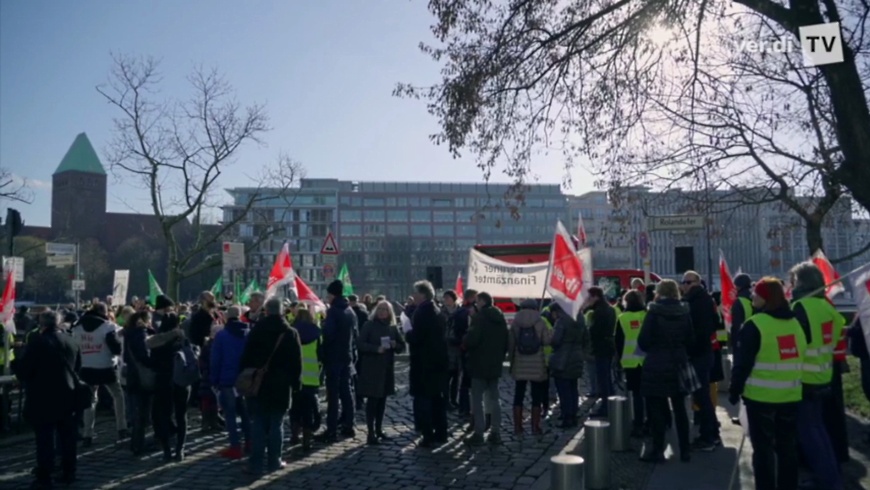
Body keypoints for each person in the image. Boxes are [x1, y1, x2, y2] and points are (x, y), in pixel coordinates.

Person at [728, 277, 804, 490]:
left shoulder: (755, 325)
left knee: (763, 452)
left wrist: (735, 390)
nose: (752, 295)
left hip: (761, 399)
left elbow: (743, 364)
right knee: (787, 449)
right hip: (790, 396)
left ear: (766, 298)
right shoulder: (794, 323)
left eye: (756, 293)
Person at [790, 262, 845, 490]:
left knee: (810, 434)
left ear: (800, 282)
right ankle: (830, 476)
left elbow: (795, 342)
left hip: (804, 378)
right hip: (824, 375)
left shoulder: (800, 307)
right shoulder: (827, 307)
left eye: (793, 281)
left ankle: (829, 481)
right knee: (819, 430)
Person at [239, 298, 302, 475]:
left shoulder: (257, 330)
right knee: (277, 424)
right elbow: (297, 362)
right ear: (282, 311)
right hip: (281, 385)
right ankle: (274, 461)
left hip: (259, 384)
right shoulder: (290, 332)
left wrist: (245, 377)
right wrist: (296, 384)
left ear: (266, 311)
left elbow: (246, 357)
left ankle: (255, 463)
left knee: (258, 423)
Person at [21, 311, 81, 488]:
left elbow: (25, 369)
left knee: (45, 438)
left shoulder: (37, 342)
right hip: (68, 395)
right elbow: (78, 367)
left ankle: (45, 475)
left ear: (42, 324)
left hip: (43, 397)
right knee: (67, 438)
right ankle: (69, 471)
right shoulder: (71, 341)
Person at [638, 279, 694, 463]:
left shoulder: (654, 312)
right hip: (679, 363)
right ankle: (685, 450)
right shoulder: (684, 312)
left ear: (659, 292)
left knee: (656, 410)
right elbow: (690, 338)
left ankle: (658, 450)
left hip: (656, 363)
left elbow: (643, 341)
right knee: (680, 409)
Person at [680, 271, 721, 451]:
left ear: (697, 282)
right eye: (683, 282)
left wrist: (690, 350)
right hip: (705, 353)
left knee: (701, 396)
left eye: (688, 282)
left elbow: (698, 330)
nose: (685, 285)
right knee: (702, 396)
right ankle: (713, 433)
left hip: (698, 355)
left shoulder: (694, 302)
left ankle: (709, 436)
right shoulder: (706, 300)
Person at [406, 280, 450, 447]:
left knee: (424, 400)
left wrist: (408, 333)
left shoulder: (422, 312)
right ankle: (441, 432)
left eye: (416, 293)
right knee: (438, 400)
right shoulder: (438, 311)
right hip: (438, 362)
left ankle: (427, 435)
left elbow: (417, 337)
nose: (414, 296)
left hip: (424, 364)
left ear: (422, 294)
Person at [146, 296, 190, 461]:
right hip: (181, 379)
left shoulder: (158, 341)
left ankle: (166, 450)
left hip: (162, 379)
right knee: (181, 415)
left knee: (164, 415)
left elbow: (149, 350)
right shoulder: (181, 339)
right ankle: (180, 449)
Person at [357, 300, 406, 445]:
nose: (382, 312)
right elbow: (360, 343)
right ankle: (370, 432)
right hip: (371, 368)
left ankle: (379, 429)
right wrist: (375, 349)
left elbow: (401, 346)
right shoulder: (369, 325)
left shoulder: (392, 328)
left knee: (382, 400)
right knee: (372, 401)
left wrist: (395, 344)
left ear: (389, 312)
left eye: (385, 309)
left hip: (386, 369)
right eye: (380, 309)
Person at [463, 292, 509, 445]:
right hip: (495, 364)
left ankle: (478, 433)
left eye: (477, 301)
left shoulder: (479, 318)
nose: (475, 304)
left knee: (477, 400)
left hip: (479, 364)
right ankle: (495, 432)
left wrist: (466, 338)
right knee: (494, 399)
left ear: (482, 301)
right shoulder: (500, 317)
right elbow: (506, 341)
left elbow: (472, 340)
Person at [317, 280, 358, 442]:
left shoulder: (333, 311)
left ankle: (331, 429)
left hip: (334, 358)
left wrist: (322, 326)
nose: (327, 298)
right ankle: (350, 425)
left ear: (333, 295)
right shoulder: (350, 311)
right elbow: (355, 335)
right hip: (347, 356)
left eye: (328, 295)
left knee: (333, 395)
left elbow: (328, 335)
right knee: (347, 392)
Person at [210, 305, 250, 460]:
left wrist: (214, 379)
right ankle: (249, 442)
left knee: (230, 415)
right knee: (246, 414)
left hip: (227, 380)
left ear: (227, 317)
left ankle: (235, 446)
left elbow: (215, 360)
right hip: (245, 380)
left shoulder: (222, 335)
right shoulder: (249, 333)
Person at [507, 299, 551, 436]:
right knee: (536, 396)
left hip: (520, 363)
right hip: (536, 364)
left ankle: (518, 427)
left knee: (518, 395)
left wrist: (511, 362)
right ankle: (535, 427)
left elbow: (511, 345)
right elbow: (546, 341)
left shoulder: (515, 322)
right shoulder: (541, 321)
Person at [123, 310, 157, 456]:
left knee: (138, 411)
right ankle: (138, 444)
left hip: (132, 375)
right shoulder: (141, 334)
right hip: (142, 377)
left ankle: (136, 442)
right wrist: (154, 362)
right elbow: (144, 356)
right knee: (143, 412)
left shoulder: (129, 334)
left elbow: (125, 356)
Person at [549, 303, 589, 429]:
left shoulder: (562, 321)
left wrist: (551, 336)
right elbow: (586, 339)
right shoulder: (581, 318)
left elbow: (556, 341)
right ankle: (573, 415)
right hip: (577, 356)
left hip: (563, 358)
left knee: (564, 389)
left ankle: (567, 417)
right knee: (573, 388)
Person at [616, 290, 647, 437]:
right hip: (647, 361)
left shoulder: (622, 318)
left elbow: (618, 343)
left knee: (637, 396)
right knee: (651, 395)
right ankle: (654, 423)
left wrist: (617, 361)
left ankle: (638, 424)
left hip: (631, 362)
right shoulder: (647, 316)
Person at [290, 307, 322, 451]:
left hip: (294, 376)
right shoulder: (317, 334)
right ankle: (307, 437)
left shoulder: (291, 333)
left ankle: (294, 434)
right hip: (312, 376)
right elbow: (322, 355)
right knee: (308, 408)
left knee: (295, 406)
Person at [586, 286, 616, 416]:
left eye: (589, 298)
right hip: (608, 346)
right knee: (607, 378)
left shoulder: (599, 311)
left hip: (601, 348)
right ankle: (611, 404)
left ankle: (605, 407)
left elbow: (595, 331)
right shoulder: (609, 309)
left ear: (595, 296)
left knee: (603, 379)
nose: (587, 300)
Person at [441, 290, 462, 410]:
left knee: (456, 377)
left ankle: (454, 399)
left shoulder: (459, 311)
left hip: (457, 348)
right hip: (446, 348)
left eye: (448, 298)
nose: (446, 300)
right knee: (446, 377)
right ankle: (446, 400)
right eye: (445, 298)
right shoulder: (441, 312)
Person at [348, 294, 369, 411]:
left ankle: (357, 399)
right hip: (361, 348)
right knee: (360, 374)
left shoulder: (349, 313)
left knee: (354, 376)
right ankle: (360, 399)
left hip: (353, 347)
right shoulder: (363, 314)